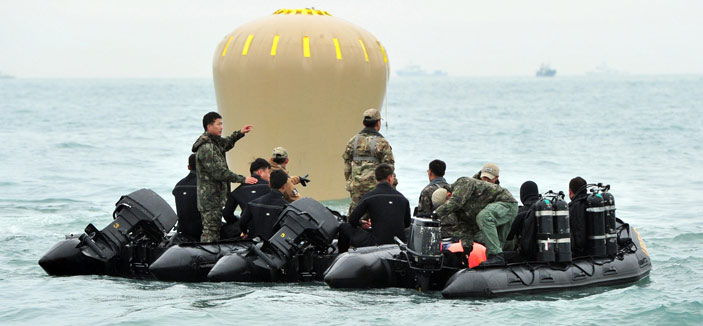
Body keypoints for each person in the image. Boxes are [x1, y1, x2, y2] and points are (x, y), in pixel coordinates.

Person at [192, 111, 257, 243]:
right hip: (210, 198)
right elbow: (219, 172)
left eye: (222, 124)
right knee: (210, 230)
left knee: (215, 229)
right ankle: (206, 257)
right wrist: (243, 179)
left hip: (216, 197)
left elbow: (226, 143)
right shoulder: (206, 148)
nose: (221, 127)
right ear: (209, 126)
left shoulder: (214, 143)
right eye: (219, 124)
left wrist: (240, 133)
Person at [433, 176, 518, 267]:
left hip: (506, 203)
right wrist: (466, 250)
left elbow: (455, 202)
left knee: (484, 217)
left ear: (449, 195)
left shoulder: (463, 183)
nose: (448, 210)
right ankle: (498, 261)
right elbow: (465, 228)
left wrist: (434, 215)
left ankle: (496, 256)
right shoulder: (459, 210)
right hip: (496, 212)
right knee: (496, 249)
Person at [337, 164, 411, 253]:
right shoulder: (403, 198)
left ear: (376, 179)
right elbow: (406, 224)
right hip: (398, 242)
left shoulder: (369, 197)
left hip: (375, 243)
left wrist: (361, 223)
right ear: (390, 178)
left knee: (343, 227)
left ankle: (341, 256)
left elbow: (352, 220)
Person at [343, 108, 396, 215]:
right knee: (375, 216)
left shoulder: (352, 141)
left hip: (356, 188)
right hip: (376, 190)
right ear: (378, 123)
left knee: (356, 216)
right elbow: (389, 169)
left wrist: (350, 183)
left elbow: (347, 167)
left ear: (363, 123)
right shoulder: (382, 143)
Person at [239, 169, 290, 240]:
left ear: (269, 184)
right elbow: (286, 231)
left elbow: (242, 222)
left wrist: (245, 232)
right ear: (284, 186)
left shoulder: (253, 203)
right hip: (273, 247)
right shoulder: (287, 208)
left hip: (254, 244)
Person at [222, 158, 272, 224]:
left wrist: (239, 222)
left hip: (247, 228)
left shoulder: (237, 191)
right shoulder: (271, 188)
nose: (269, 176)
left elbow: (226, 214)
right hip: (269, 227)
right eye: (268, 172)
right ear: (260, 172)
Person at [172, 154, 202, 240]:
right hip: (201, 230)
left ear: (188, 167)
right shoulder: (205, 185)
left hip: (183, 229)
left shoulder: (178, 186)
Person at [507, 181, 540, 257]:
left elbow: (509, 237)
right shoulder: (546, 210)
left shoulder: (519, 212)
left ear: (523, 194)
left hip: (527, 255)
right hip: (549, 253)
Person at [568, 176, 589, 257]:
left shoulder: (571, 208)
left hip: (579, 253)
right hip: (594, 248)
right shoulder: (592, 203)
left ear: (570, 191)